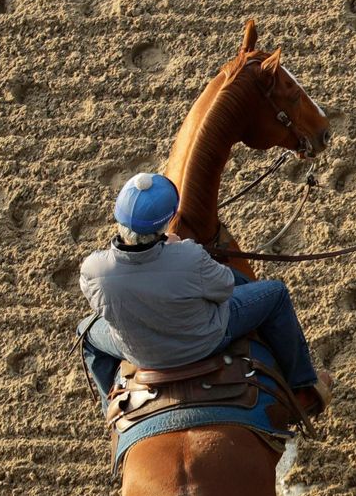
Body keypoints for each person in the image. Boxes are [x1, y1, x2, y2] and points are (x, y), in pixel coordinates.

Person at [76, 171, 331, 416]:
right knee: (275, 293)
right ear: (164, 223)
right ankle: (303, 384)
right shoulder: (189, 256)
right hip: (204, 342)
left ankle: (110, 405)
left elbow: (98, 304)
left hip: (137, 352)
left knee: (84, 331)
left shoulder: (93, 268)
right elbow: (224, 287)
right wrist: (177, 250)